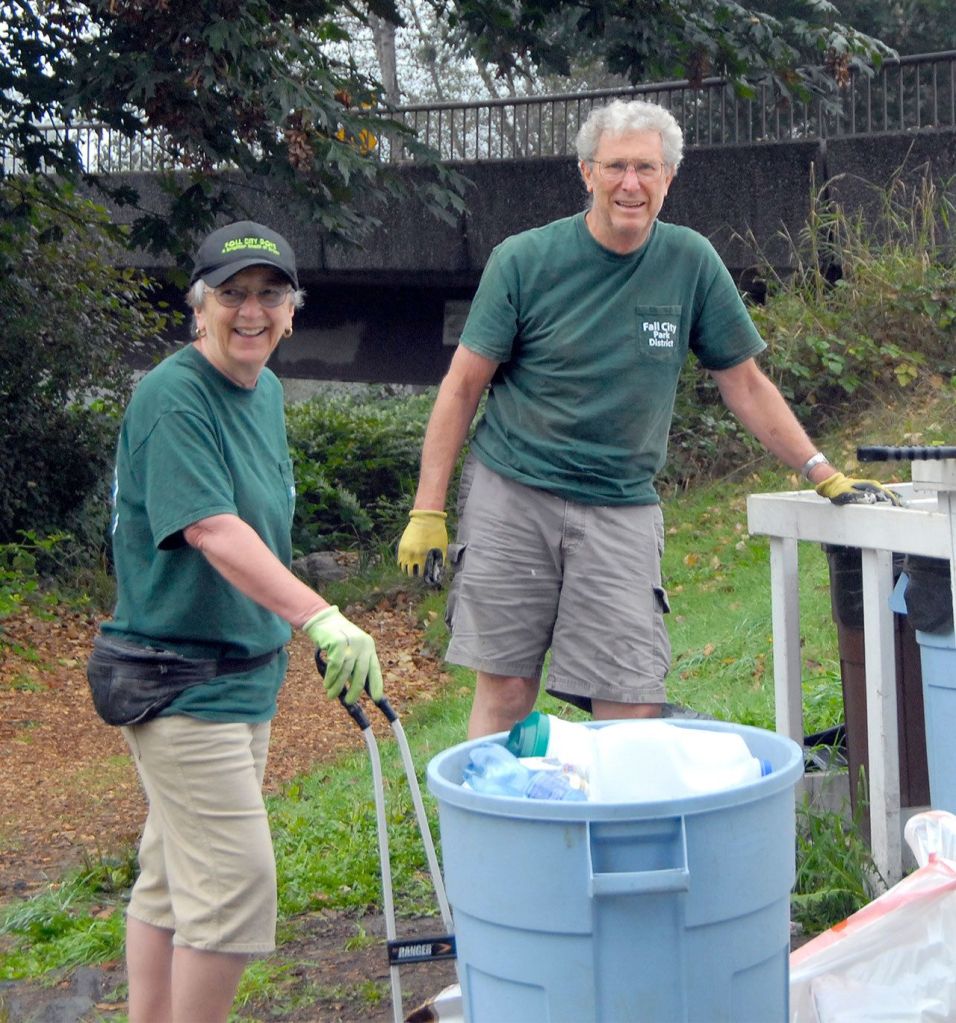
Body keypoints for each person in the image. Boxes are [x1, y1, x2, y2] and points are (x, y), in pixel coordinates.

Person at [397, 99, 899, 740]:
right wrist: (427, 509)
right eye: (615, 167)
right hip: (514, 491)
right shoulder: (523, 260)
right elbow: (462, 388)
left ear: (669, 177)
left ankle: (610, 835)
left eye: (646, 168)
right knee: (507, 688)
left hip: (622, 505)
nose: (629, 183)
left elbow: (744, 382)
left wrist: (822, 471)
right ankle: (496, 836)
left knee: (629, 699)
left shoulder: (689, 261)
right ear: (586, 172)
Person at [88, 220, 383, 1022]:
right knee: (234, 881)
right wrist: (321, 616)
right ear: (199, 307)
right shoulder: (173, 394)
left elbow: (257, 526)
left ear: (292, 312)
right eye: (231, 294)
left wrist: (293, 630)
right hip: (177, 678)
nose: (250, 311)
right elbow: (213, 527)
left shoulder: (265, 391)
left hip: (243, 674)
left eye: (268, 294)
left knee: (173, 873)